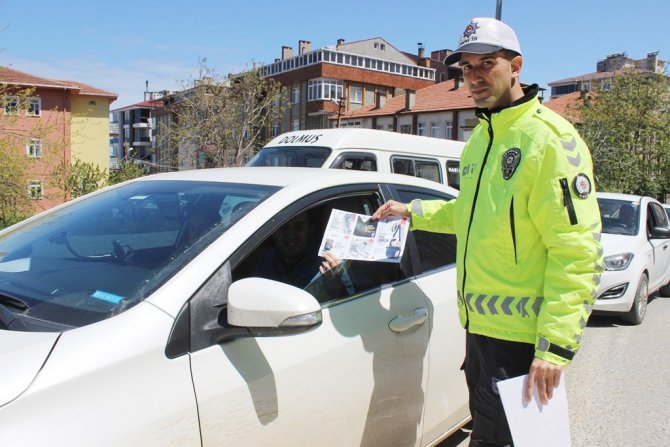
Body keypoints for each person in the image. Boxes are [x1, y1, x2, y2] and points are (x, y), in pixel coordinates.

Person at [372, 17, 603, 447]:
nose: (474, 77)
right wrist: (411, 210)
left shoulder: (549, 140)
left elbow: (578, 251)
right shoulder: (481, 138)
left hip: (520, 343)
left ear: (515, 66)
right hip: (480, 333)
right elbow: (470, 213)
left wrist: (554, 347)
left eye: (486, 65)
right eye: (467, 68)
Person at [255, 211, 351, 300]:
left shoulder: (329, 263)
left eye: (299, 227)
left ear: (310, 231)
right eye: (283, 227)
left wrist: (336, 280)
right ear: (273, 233)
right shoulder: (268, 261)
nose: (290, 234)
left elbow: (348, 305)